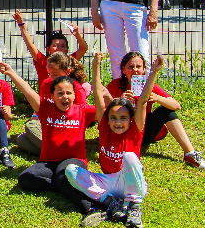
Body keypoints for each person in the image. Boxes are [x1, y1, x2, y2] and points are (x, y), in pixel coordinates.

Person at [66, 52, 161, 227]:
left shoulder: (135, 130)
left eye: (123, 118)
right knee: (71, 171)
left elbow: (143, 101)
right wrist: (96, 65)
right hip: (108, 181)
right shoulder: (104, 128)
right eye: (114, 118)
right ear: (107, 120)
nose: (118, 123)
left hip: (129, 182)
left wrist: (153, 72)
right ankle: (110, 202)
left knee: (130, 157)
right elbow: (97, 95)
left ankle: (134, 206)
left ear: (130, 120)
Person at [0, 63, 98, 214]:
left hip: (74, 161)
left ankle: (90, 207)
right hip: (49, 163)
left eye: (68, 93)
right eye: (60, 93)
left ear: (74, 95)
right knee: (26, 178)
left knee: (64, 174)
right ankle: (64, 185)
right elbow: (28, 91)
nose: (65, 97)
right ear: (52, 96)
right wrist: (12, 73)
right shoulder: (45, 108)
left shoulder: (83, 111)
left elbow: (106, 112)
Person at [106, 51, 205, 170]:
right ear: (124, 70)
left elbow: (176, 105)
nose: (135, 70)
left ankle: (190, 153)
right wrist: (119, 101)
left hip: (143, 133)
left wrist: (157, 98)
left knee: (167, 110)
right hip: (122, 132)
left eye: (139, 66)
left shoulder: (148, 85)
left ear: (144, 69)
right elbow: (103, 110)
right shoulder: (116, 85)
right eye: (130, 67)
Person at [17, 51, 89, 156]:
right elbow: (41, 107)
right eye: (49, 73)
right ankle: (59, 152)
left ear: (67, 72)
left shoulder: (77, 89)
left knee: (30, 126)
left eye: (55, 74)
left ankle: (56, 152)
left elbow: (83, 117)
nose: (51, 78)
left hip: (67, 128)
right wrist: (36, 116)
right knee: (21, 139)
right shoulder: (46, 84)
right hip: (49, 127)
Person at [13, 9, 88, 85]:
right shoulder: (42, 61)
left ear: (67, 50)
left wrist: (77, 34)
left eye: (62, 46)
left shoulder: (70, 61)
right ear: (48, 49)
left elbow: (83, 48)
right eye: (55, 46)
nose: (59, 48)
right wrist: (21, 25)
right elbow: (30, 45)